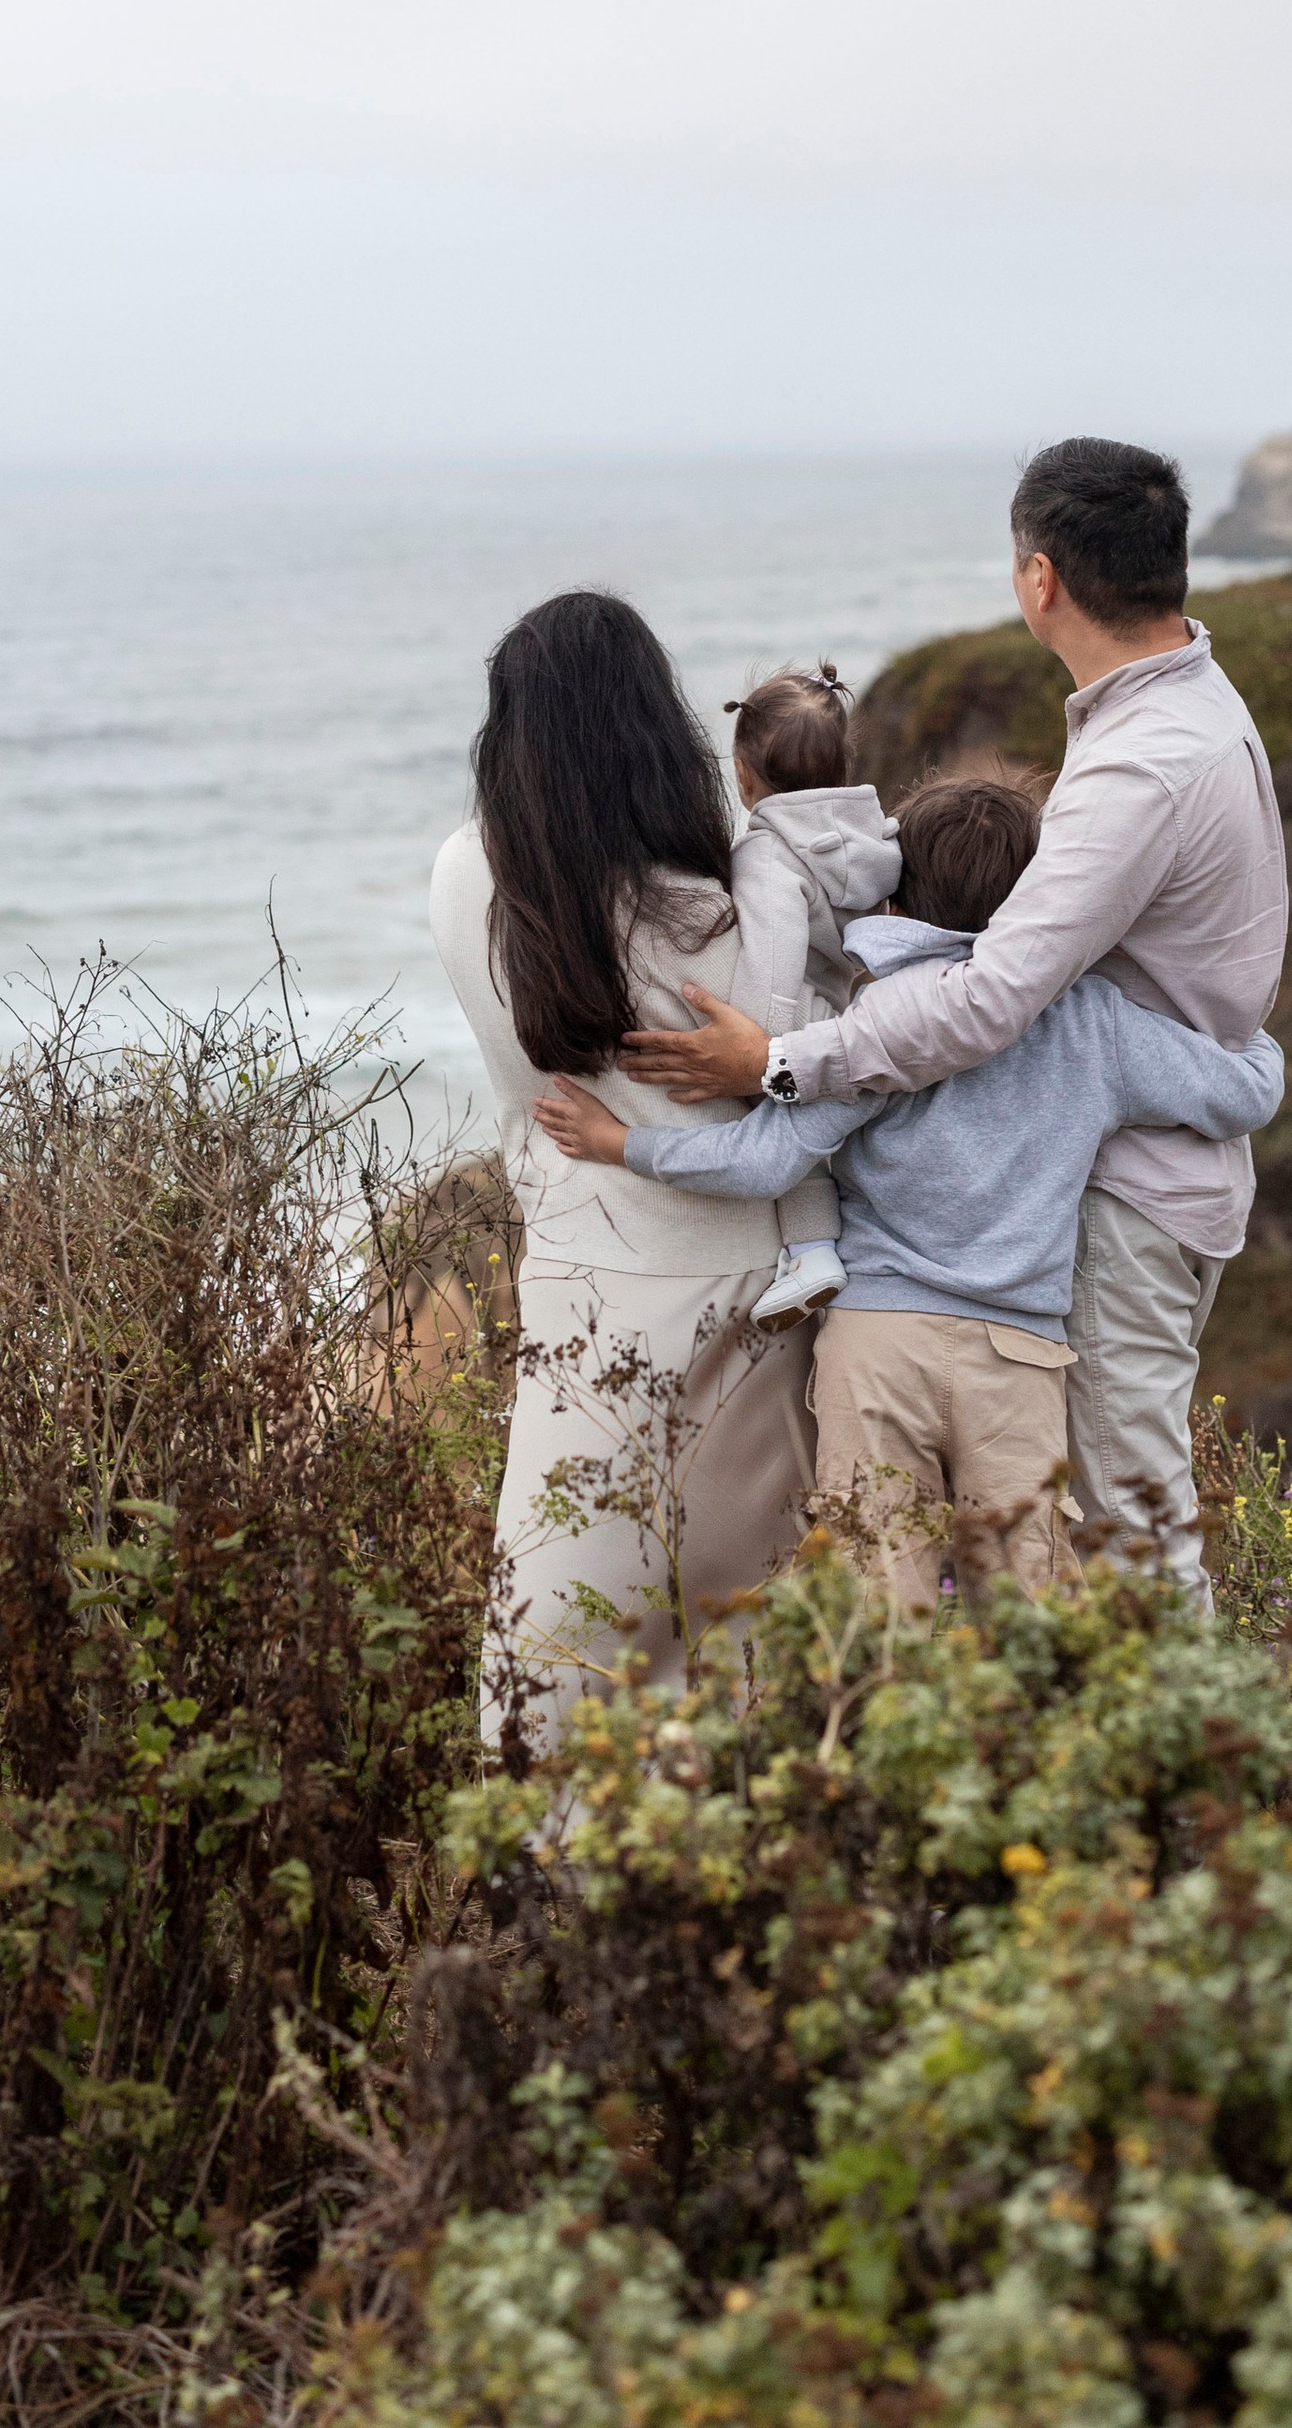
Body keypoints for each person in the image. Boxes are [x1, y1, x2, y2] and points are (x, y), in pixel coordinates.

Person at [618, 438, 1288, 1602]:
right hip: (1159, 1143)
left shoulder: (1139, 767)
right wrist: (1253, 1057)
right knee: (1074, 1539)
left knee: (1123, 1530)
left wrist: (780, 1060)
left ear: (1039, 580)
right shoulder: (1192, 705)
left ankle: (1167, 1773)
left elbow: (986, 1001)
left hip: (1128, 1196)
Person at [537, 773, 1281, 1607]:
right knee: (1031, 1612)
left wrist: (622, 1143)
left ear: (894, 900)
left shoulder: (874, 1024)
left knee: (881, 1606)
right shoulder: (1093, 1023)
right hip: (1020, 1354)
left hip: (876, 1346)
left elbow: (761, 1164)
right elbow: (1244, 1096)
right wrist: (1258, 1045)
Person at [429, 590, 814, 1747]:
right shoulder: (727, 920)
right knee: (744, 1646)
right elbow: (811, 1065)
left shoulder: (468, 881)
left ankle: (556, 1899)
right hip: (747, 1289)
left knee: (553, 1654)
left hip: (579, 1287)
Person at [721, 663, 902, 1329]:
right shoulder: (876, 837)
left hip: (807, 1028)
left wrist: (753, 1061)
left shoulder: (768, 858)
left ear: (744, 775)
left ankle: (811, 1252)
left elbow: (771, 975)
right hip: (870, 1017)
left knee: (794, 1149)